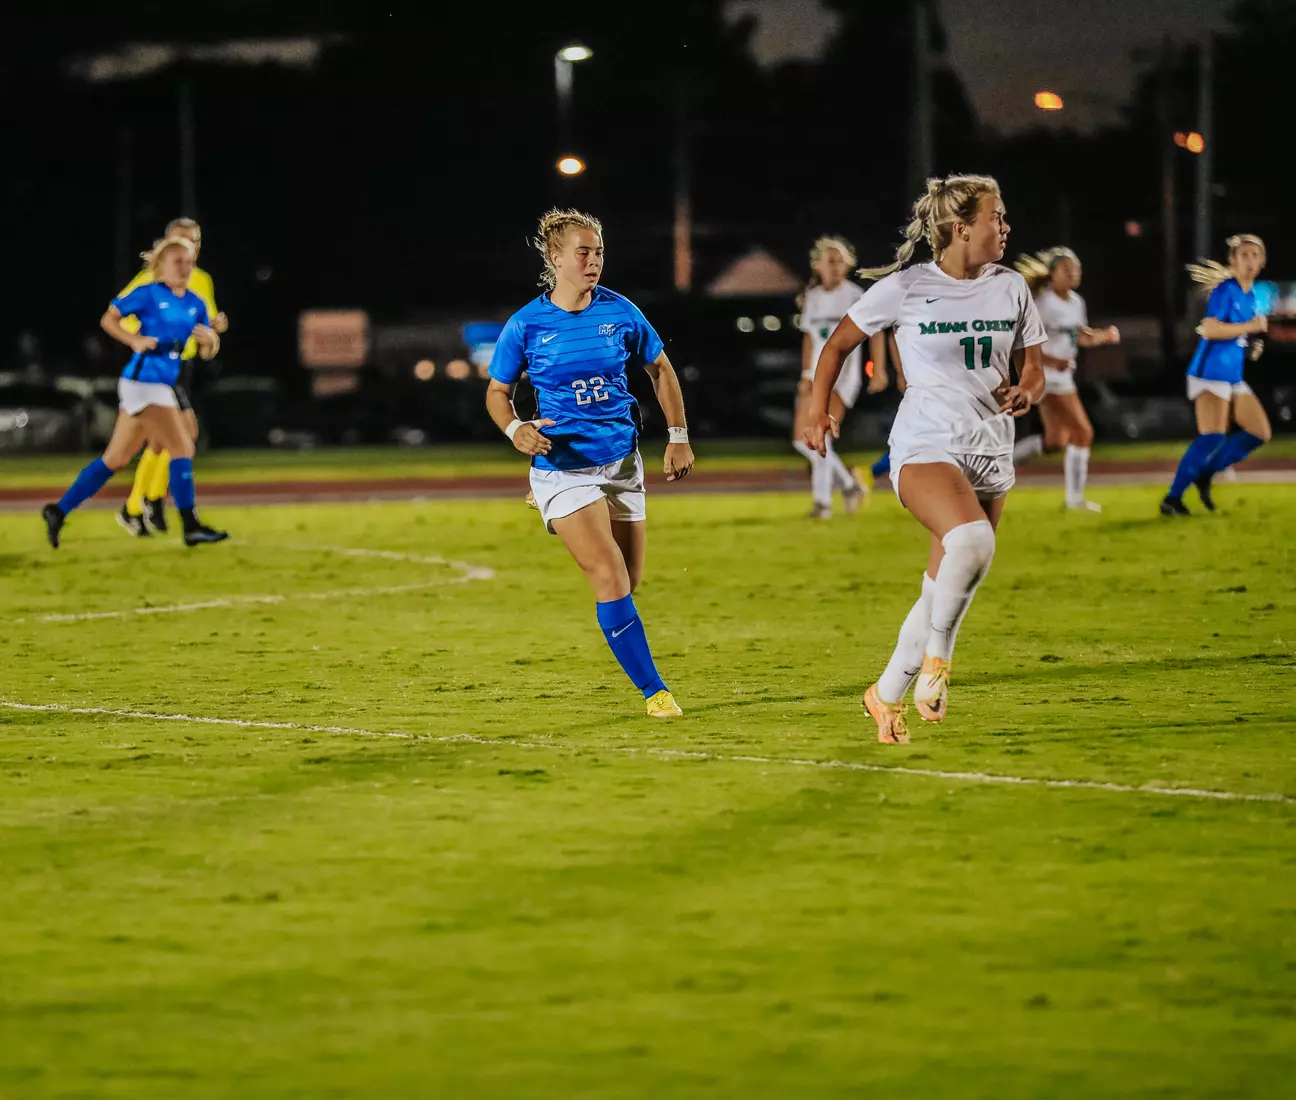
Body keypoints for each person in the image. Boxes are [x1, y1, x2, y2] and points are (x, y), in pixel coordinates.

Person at [805, 174, 1046, 743]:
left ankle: (884, 695)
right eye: (997, 217)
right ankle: (938, 663)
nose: (1006, 227)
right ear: (962, 228)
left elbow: (1033, 366)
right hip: (925, 445)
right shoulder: (909, 287)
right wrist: (820, 410)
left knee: (942, 588)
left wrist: (1026, 391)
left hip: (991, 449)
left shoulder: (1012, 286)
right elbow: (838, 343)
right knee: (973, 543)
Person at [485, 209, 694, 718]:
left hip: (621, 463)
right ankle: (655, 692)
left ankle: (550, 501)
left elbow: (660, 369)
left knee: (631, 578)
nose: (593, 260)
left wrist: (678, 436)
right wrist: (517, 430)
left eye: (598, 250)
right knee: (609, 576)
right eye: (582, 251)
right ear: (555, 258)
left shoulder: (620, 312)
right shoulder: (527, 324)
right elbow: (497, 392)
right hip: (564, 465)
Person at [42, 236, 228, 548]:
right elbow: (108, 319)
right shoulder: (149, 294)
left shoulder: (195, 303)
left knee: (115, 459)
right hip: (143, 383)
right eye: (177, 262)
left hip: (161, 385)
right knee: (183, 446)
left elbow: (206, 346)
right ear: (162, 267)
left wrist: (210, 342)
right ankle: (191, 525)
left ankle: (58, 511)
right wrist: (134, 341)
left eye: (188, 262)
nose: (184, 267)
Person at [115, 217, 229, 536]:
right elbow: (120, 319)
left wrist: (215, 327)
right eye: (180, 239)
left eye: (193, 241)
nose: (187, 246)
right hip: (156, 367)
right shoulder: (149, 280)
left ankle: (136, 507)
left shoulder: (201, 279)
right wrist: (145, 337)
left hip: (183, 366)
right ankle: (148, 501)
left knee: (159, 444)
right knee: (183, 434)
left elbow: (205, 322)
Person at [1161, 234, 1271, 516]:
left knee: (1260, 432)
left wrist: (1252, 344)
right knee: (1212, 436)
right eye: (1242, 255)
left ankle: (1205, 472)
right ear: (1232, 261)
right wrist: (1250, 327)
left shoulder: (1250, 296)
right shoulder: (1226, 290)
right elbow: (1209, 329)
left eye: (1254, 255)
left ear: (1262, 262)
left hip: (1232, 375)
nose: (1248, 260)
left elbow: (1239, 335)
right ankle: (1172, 499)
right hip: (1209, 373)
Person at [1011, 248, 1121, 511]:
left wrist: (1101, 336)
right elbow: (1023, 343)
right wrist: (1051, 361)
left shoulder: (1076, 302)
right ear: (1053, 274)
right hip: (1046, 376)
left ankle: (999, 462)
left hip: (1062, 375)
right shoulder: (1043, 303)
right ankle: (1075, 500)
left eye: (1076, 269)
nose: (1073, 273)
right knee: (1083, 432)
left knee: (1056, 440)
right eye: (1067, 269)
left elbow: (1078, 336)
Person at [793, 237, 874, 517]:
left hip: (843, 376)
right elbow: (808, 338)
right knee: (801, 440)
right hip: (816, 375)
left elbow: (874, 333)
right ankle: (850, 485)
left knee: (820, 438)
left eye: (841, 261)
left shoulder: (854, 295)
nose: (837, 266)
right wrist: (806, 373)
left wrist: (879, 371)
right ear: (818, 265)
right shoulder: (813, 298)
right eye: (831, 261)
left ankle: (822, 504)